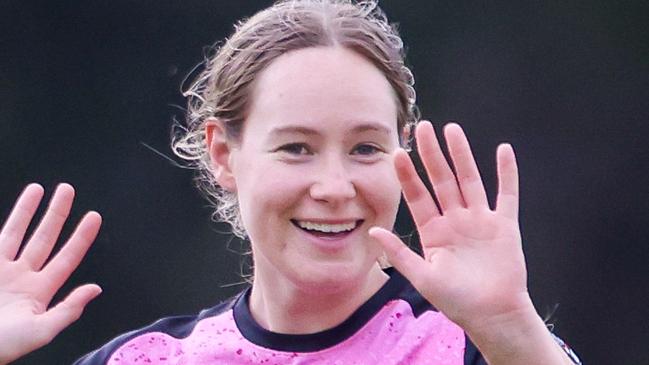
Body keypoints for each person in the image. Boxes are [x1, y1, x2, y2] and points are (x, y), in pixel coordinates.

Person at [0, 1, 582, 364]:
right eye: (297, 148)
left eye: (365, 148)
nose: (334, 186)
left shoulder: (473, 347)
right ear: (224, 154)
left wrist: (511, 330)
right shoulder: (146, 360)